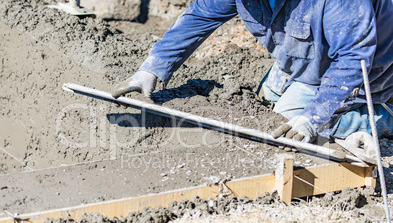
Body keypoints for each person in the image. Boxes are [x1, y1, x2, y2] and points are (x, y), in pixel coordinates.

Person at [116, 0, 393, 156]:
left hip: (371, 68)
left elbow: (353, 59)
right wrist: (153, 68)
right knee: (266, 98)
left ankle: (381, 114)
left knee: (287, 122)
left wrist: (314, 117)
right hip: (310, 55)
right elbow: (200, 15)